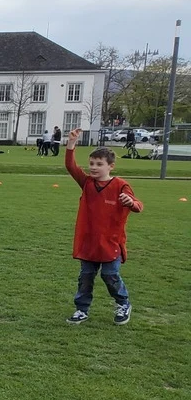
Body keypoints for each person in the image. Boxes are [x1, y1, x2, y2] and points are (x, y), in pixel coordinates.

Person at [62, 129, 142, 326]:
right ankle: (82, 309)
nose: (94, 168)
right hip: (89, 242)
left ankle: (123, 304)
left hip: (110, 242)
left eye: (99, 164)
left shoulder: (121, 186)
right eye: (91, 164)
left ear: (111, 166)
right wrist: (71, 144)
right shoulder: (87, 183)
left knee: (110, 275)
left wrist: (130, 202)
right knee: (86, 277)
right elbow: (71, 167)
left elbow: (138, 206)